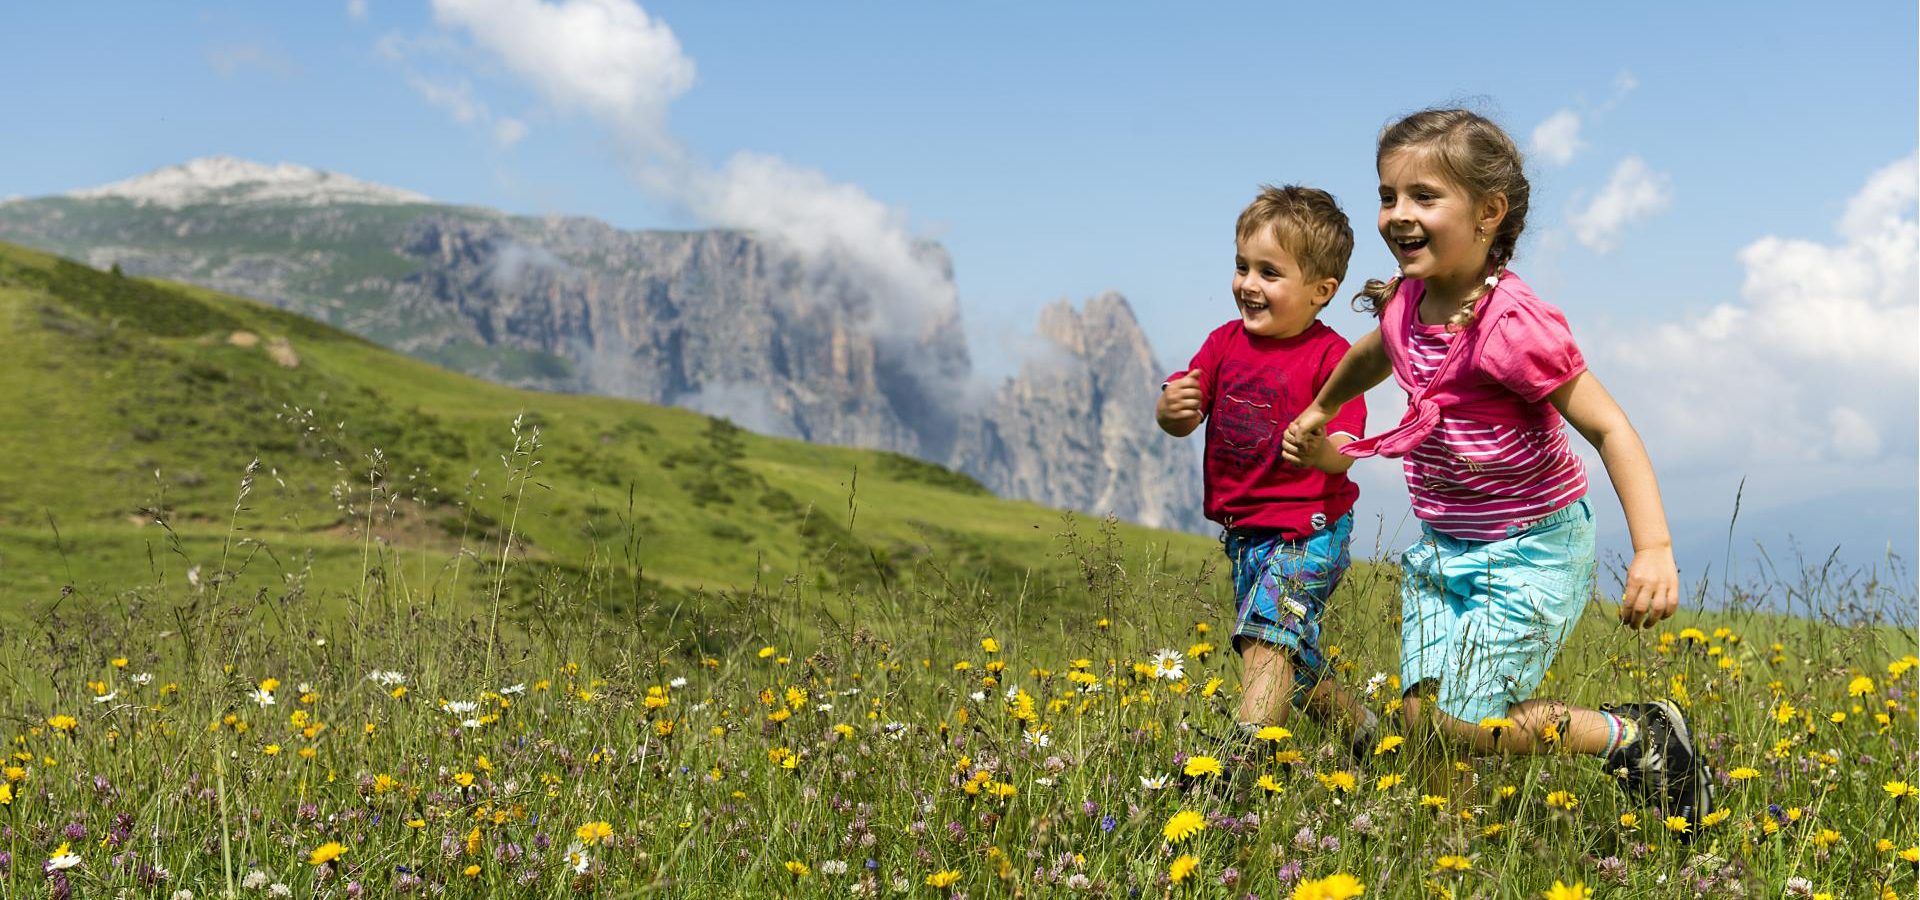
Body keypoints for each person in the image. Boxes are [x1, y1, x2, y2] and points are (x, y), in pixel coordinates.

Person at [1282, 108, 1712, 837]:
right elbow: (1374, 350)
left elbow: (1609, 427)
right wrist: (1323, 405)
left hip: (1530, 547)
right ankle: (1445, 852)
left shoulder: (1513, 327)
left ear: (1489, 213)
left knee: (1460, 720)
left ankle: (1636, 738)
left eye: (1424, 196)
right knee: (1422, 720)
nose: (1398, 215)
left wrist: (1655, 548)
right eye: (1388, 196)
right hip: (1449, 545)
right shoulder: (1410, 299)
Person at [1156, 185, 1378, 763]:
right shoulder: (1223, 343)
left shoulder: (1333, 358)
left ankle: (1241, 762)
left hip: (1308, 531)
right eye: (1242, 267)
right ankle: (1366, 733)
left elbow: (1347, 448)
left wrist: (1319, 451)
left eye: (1269, 273)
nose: (1249, 284)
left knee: (1266, 636)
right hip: (1245, 533)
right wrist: (1170, 410)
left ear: (1320, 291)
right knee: (1289, 656)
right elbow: (1184, 408)